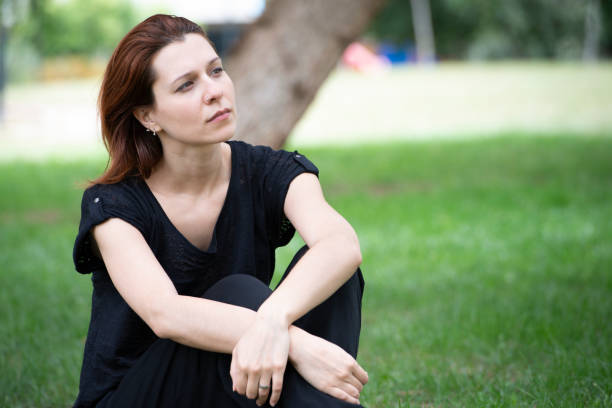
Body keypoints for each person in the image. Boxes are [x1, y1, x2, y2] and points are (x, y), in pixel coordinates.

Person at [73, 14, 367, 408]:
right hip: (140, 393)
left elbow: (340, 245)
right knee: (237, 291)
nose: (214, 92)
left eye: (216, 71)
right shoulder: (114, 205)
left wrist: (275, 320)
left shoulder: (270, 171)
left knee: (334, 278)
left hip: (238, 380)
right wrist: (295, 342)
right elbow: (166, 314)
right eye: (186, 85)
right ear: (148, 115)